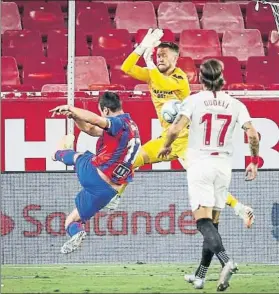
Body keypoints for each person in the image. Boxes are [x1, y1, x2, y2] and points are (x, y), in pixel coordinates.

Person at [116, 28, 255, 228]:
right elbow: (126, 67)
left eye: (164, 55)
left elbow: (162, 83)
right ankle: (115, 197)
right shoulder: (152, 74)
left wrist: (148, 62)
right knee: (131, 160)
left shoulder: (180, 79)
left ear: (175, 59)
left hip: (186, 141)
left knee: (206, 185)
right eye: (157, 55)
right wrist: (142, 47)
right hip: (166, 139)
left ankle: (240, 207)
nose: (159, 58)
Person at [158, 59, 260, 291]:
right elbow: (253, 135)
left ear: (200, 77)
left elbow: (175, 128)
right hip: (223, 166)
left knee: (202, 222)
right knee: (213, 223)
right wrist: (253, 161)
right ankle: (200, 276)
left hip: (200, 163)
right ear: (222, 76)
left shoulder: (193, 101)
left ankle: (227, 262)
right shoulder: (236, 104)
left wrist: (166, 146)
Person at [49, 92, 141, 254]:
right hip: (109, 191)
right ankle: (77, 232)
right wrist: (75, 116)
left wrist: (71, 107)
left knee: (80, 157)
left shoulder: (118, 123)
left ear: (105, 110)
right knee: (71, 220)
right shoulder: (131, 125)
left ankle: (56, 154)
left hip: (97, 177)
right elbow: (90, 129)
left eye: (100, 111)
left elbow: (96, 121)